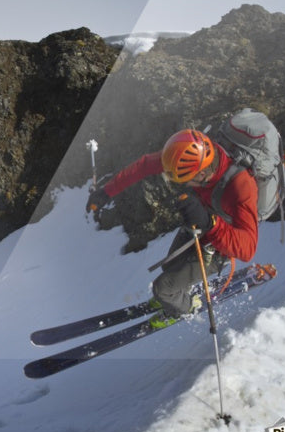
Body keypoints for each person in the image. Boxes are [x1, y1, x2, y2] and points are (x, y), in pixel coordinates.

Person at [86, 128, 259, 329]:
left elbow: (248, 249)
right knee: (170, 267)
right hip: (199, 225)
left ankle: (185, 307)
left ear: (202, 173)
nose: (182, 184)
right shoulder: (185, 157)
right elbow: (144, 165)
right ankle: (175, 294)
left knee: (163, 288)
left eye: (184, 179)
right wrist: (106, 192)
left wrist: (210, 223)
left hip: (220, 245)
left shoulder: (240, 186)